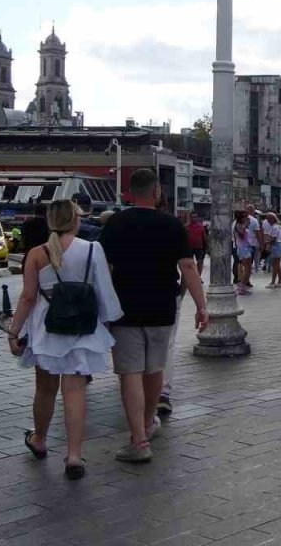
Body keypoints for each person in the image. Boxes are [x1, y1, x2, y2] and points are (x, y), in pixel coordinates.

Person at [98, 168, 209, 463]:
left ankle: (139, 440)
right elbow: (188, 268)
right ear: (157, 192)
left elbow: (104, 271)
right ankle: (148, 425)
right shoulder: (172, 225)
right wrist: (202, 306)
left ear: (130, 193)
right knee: (154, 370)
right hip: (163, 307)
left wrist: (101, 307)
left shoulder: (115, 224)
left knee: (130, 373)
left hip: (125, 309)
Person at [7, 200, 122, 481]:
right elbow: (104, 292)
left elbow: (27, 297)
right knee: (75, 392)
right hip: (82, 330)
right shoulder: (93, 249)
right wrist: (107, 324)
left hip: (47, 330)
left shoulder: (37, 253)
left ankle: (40, 439)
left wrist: (14, 331)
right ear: (75, 220)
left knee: (45, 389)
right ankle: (73, 456)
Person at [232, 211, 256, 295]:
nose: (247, 219)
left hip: (246, 248)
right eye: (245, 217)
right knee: (247, 269)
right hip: (243, 249)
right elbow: (241, 234)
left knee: (248, 269)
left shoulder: (241, 225)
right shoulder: (238, 225)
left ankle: (243, 286)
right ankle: (241, 287)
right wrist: (246, 225)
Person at [263, 213, 281, 289]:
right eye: (267, 218)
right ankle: (279, 282)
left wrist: (267, 242)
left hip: (275, 246)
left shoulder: (274, 227)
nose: (268, 220)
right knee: (278, 265)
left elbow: (273, 238)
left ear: (273, 218)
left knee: (275, 266)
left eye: (269, 218)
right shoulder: (279, 227)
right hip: (278, 246)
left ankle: (273, 282)